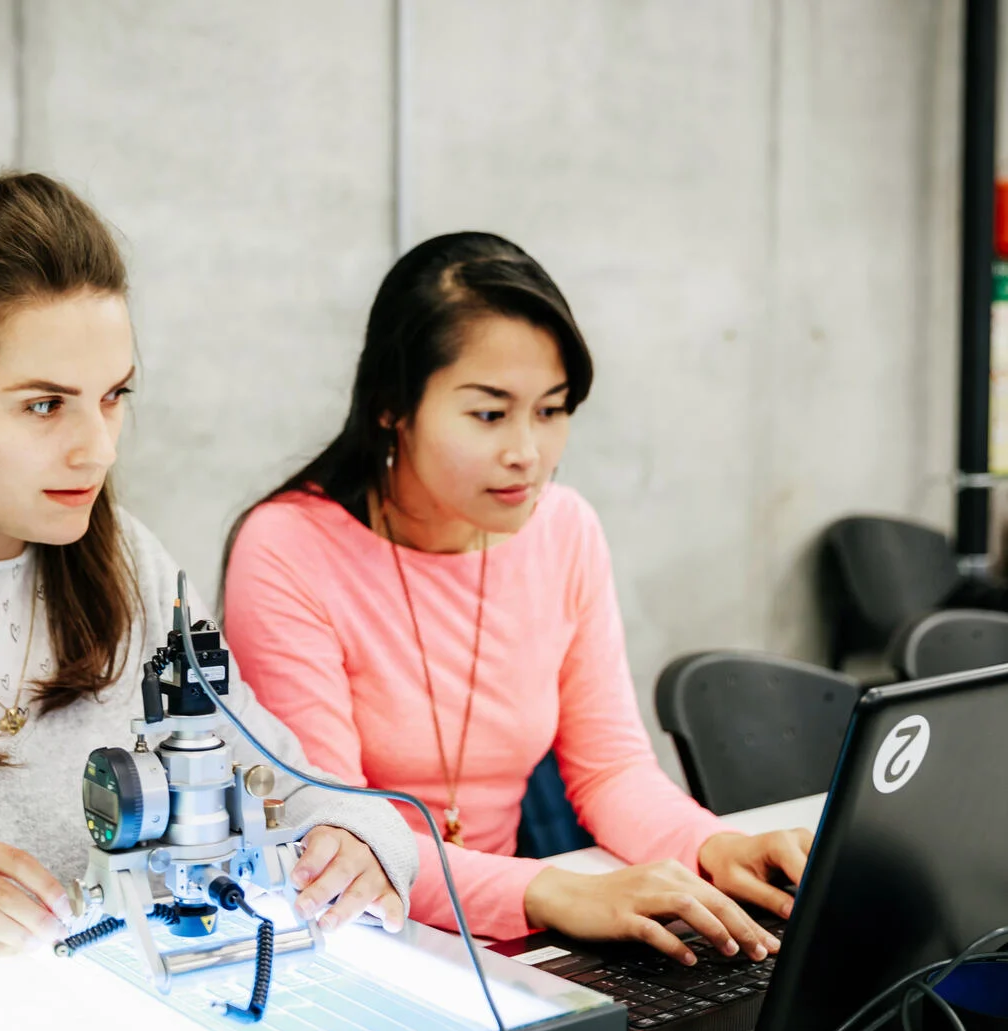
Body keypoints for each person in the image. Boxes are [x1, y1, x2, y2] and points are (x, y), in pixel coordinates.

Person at [0, 173, 416, 995]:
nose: (97, 449)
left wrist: (362, 842)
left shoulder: (130, 563)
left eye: (113, 396)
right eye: (43, 406)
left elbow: (292, 785)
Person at [222, 232, 811, 964]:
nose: (528, 453)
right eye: (490, 414)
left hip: (508, 946)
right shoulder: (288, 549)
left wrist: (715, 845)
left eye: (552, 410)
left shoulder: (564, 529)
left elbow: (610, 768)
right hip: (351, 944)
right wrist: (550, 892)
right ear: (391, 406)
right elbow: (332, 829)